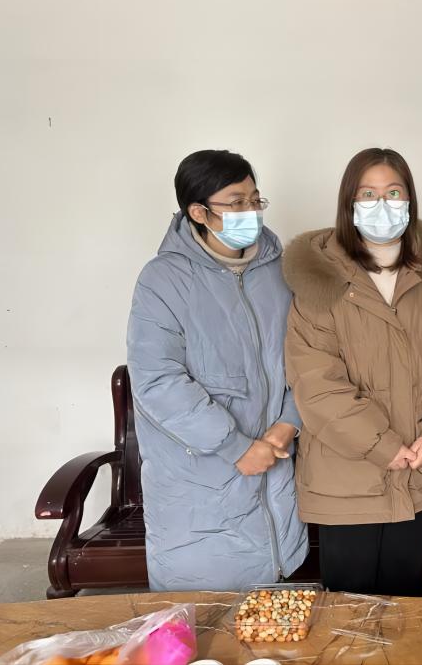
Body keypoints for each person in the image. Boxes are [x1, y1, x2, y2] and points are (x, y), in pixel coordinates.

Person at [283, 147, 422, 597]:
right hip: (347, 477)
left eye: (393, 193)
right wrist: (381, 445)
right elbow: (316, 382)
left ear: (410, 200)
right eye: (368, 194)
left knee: (404, 606)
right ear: (349, 204)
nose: (382, 205)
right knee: (348, 614)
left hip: (421, 469)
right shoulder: (320, 282)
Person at [127, 149, 308, 591]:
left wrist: (289, 422)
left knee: (274, 612)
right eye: (236, 202)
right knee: (204, 614)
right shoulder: (163, 280)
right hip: (200, 486)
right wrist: (235, 446)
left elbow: (305, 356)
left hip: (275, 471)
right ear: (198, 212)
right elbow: (158, 380)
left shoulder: (279, 271)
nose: (251, 211)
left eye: (255, 199)